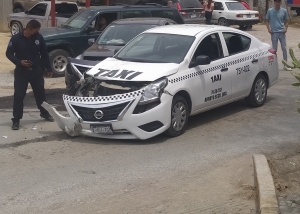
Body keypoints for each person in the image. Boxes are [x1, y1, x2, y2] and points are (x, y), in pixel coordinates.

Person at [6, 20, 54, 130]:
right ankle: (16, 119)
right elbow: (8, 53)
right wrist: (19, 62)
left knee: (40, 94)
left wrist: (48, 68)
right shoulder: (16, 38)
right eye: (35, 30)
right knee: (19, 96)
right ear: (29, 29)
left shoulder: (38, 38)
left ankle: (44, 113)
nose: (37, 32)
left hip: (36, 71)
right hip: (21, 72)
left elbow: (44, 53)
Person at [266, 0, 292, 71]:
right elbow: (267, 20)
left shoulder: (284, 11)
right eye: (276, 2)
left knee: (284, 48)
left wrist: (286, 28)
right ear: (274, 3)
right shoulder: (270, 11)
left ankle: (285, 65)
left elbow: (287, 20)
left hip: (282, 33)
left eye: (278, 2)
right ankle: (274, 66)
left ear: (281, 3)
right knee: (274, 50)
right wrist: (269, 29)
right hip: (274, 33)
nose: (277, 3)